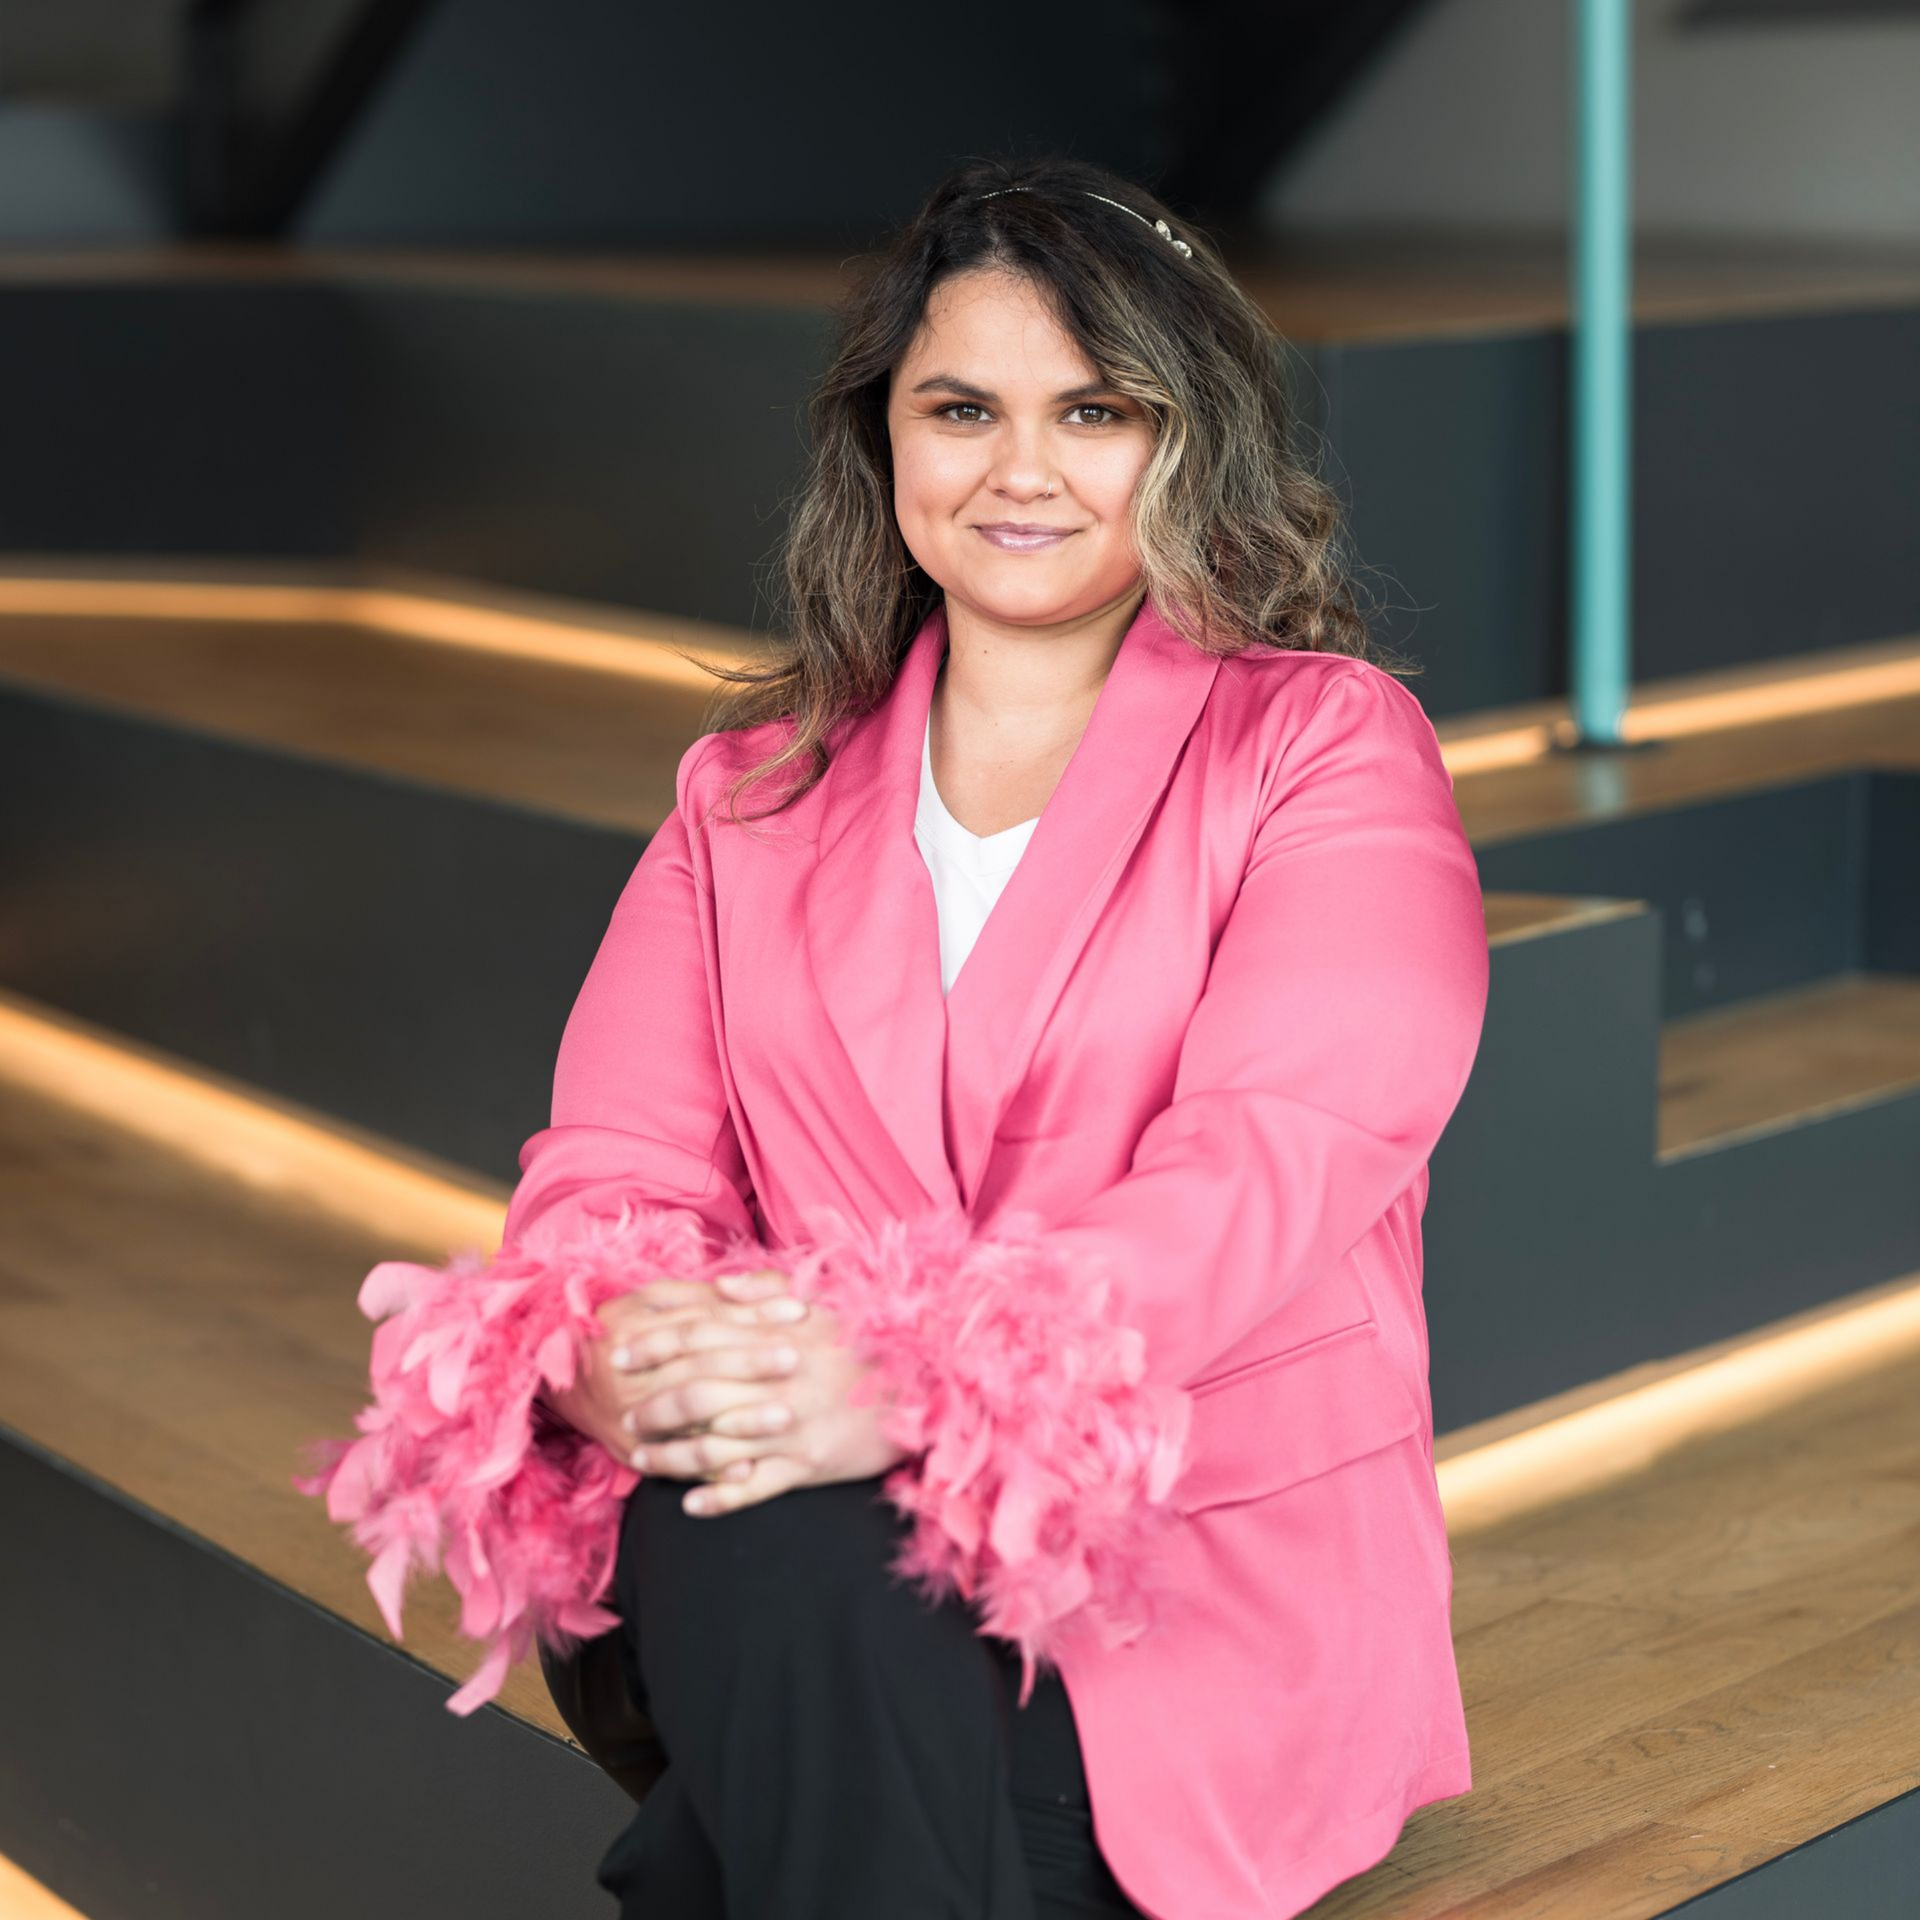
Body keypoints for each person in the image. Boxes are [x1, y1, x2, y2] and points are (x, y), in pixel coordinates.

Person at [301, 153, 1490, 1920]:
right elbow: (613, 1169)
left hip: (1178, 1584)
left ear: (1192, 444)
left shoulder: (1323, 749)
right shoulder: (752, 792)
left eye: (1096, 410)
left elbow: (1275, 1159)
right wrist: (614, 1351)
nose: (1020, 470)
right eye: (962, 408)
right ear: (887, 441)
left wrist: (911, 1385)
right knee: (780, 1540)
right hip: (794, 1513)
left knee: (768, 1711)